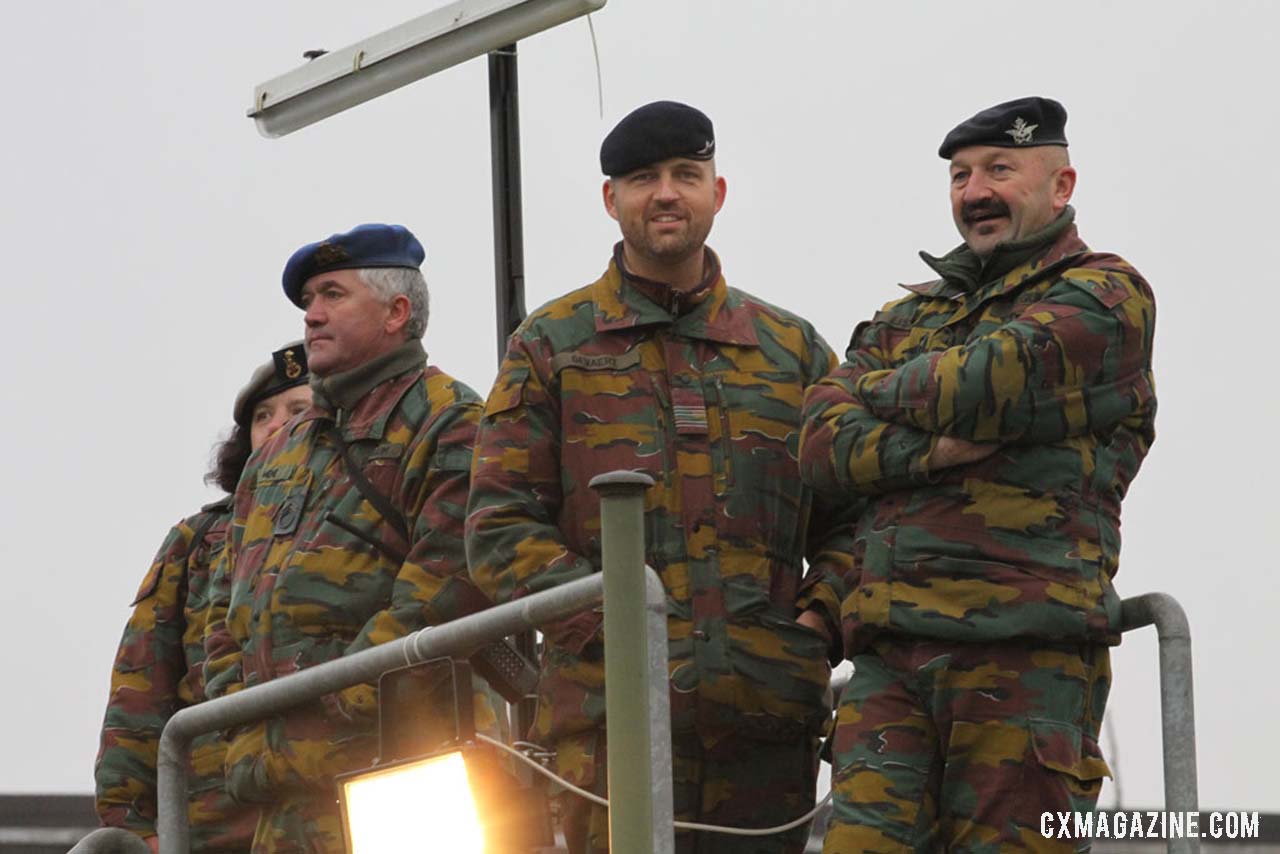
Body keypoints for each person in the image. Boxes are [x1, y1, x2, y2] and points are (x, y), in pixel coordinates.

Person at [466, 101, 856, 854]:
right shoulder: (551, 347)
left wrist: (817, 623)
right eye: (643, 179)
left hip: (766, 731)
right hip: (609, 731)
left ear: (719, 191)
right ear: (612, 201)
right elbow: (497, 527)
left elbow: (854, 522)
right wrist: (615, 631)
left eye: (687, 174)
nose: (667, 193)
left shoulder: (793, 352)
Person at [799, 96, 1157, 852]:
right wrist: (928, 451)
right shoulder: (909, 317)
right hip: (891, 662)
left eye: (1000, 169)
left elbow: (990, 378)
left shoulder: (1103, 297)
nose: (975, 192)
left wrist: (875, 394)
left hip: (1025, 657)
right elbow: (821, 443)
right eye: (961, 176)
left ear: (1062, 186)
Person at [202, 224, 497, 853]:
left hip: (403, 772)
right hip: (280, 788)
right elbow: (226, 606)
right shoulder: (280, 449)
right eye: (308, 301)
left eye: (333, 296)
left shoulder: (451, 422)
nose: (311, 317)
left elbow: (444, 594)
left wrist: (332, 708)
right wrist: (239, 714)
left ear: (396, 313)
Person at [95, 342, 312, 853]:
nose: (276, 425)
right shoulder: (197, 541)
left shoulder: (361, 518)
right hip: (215, 821)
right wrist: (132, 826)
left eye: (298, 411)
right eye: (262, 416)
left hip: (345, 794)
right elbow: (141, 687)